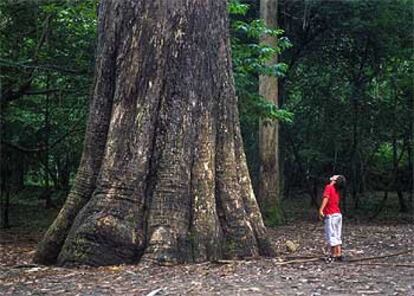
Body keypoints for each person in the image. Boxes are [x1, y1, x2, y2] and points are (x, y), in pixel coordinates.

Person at [319, 174, 346, 262]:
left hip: (331, 215)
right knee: (337, 234)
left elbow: (326, 198)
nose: (334, 175)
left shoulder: (329, 187)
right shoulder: (336, 190)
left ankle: (333, 255)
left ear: (335, 180)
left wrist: (321, 209)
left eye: (336, 176)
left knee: (331, 235)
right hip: (338, 215)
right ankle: (339, 254)